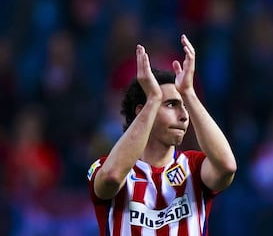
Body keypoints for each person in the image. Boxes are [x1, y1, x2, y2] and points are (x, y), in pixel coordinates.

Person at [87, 34, 237, 235]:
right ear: (142, 111)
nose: (184, 116)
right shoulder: (104, 167)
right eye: (171, 105)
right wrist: (153, 99)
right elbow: (113, 177)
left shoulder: (194, 167)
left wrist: (189, 94)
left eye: (184, 106)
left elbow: (227, 167)